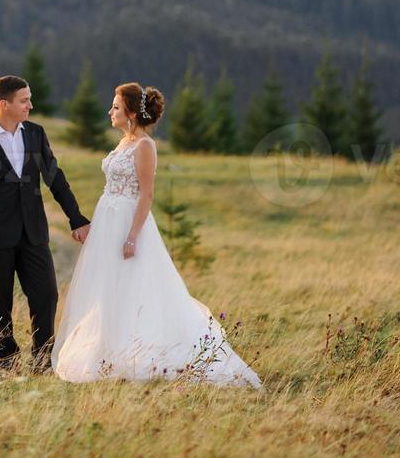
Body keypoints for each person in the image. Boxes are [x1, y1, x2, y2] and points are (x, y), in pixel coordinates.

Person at [50, 81, 262, 388]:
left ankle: (144, 351)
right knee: (108, 287)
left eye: (116, 107)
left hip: (128, 223)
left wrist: (132, 236)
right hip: (108, 221)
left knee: (135, 285)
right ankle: (109, 349)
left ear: (132, 113)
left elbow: (146, 195)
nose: (110, 111)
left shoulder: (144, 146)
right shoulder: (123, 142)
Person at [0, 75, 90, 373]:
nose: (30, 105)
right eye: (24, 101)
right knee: (0, 302)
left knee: (46, 293)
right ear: (3, 104)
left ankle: (43, 357)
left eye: (30, 99)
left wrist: (77, 218)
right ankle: (7, 357)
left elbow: (55, 179)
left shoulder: (35, 134)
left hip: (33, 232)